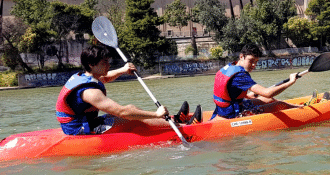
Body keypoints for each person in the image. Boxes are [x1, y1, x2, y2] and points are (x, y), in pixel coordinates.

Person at [56, 45, 200, 136]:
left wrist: (123, 70)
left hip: (87, 122)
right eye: (104, 62)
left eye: (108, 61)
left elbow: (105, 78)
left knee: (133, 109)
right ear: (91, 65)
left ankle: (173, 120)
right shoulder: (90, 93)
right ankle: (183, 127)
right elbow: (121, 112)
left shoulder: (85, 75)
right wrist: (156, 114)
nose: (108, 64)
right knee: (132, 119)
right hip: (81, 130)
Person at [211, 44, 303, 120]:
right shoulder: (240, 75)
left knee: (269, 100)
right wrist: (291, 81)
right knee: (279, 105)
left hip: (226, 109)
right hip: (234, 114)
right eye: (251, 61)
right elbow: (268, 93)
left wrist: (248, 95)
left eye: (256, 61)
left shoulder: (230, 67)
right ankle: (303, 110)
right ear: (241, 56)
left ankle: (296, 106)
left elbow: (230, 92)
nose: (254, 65)